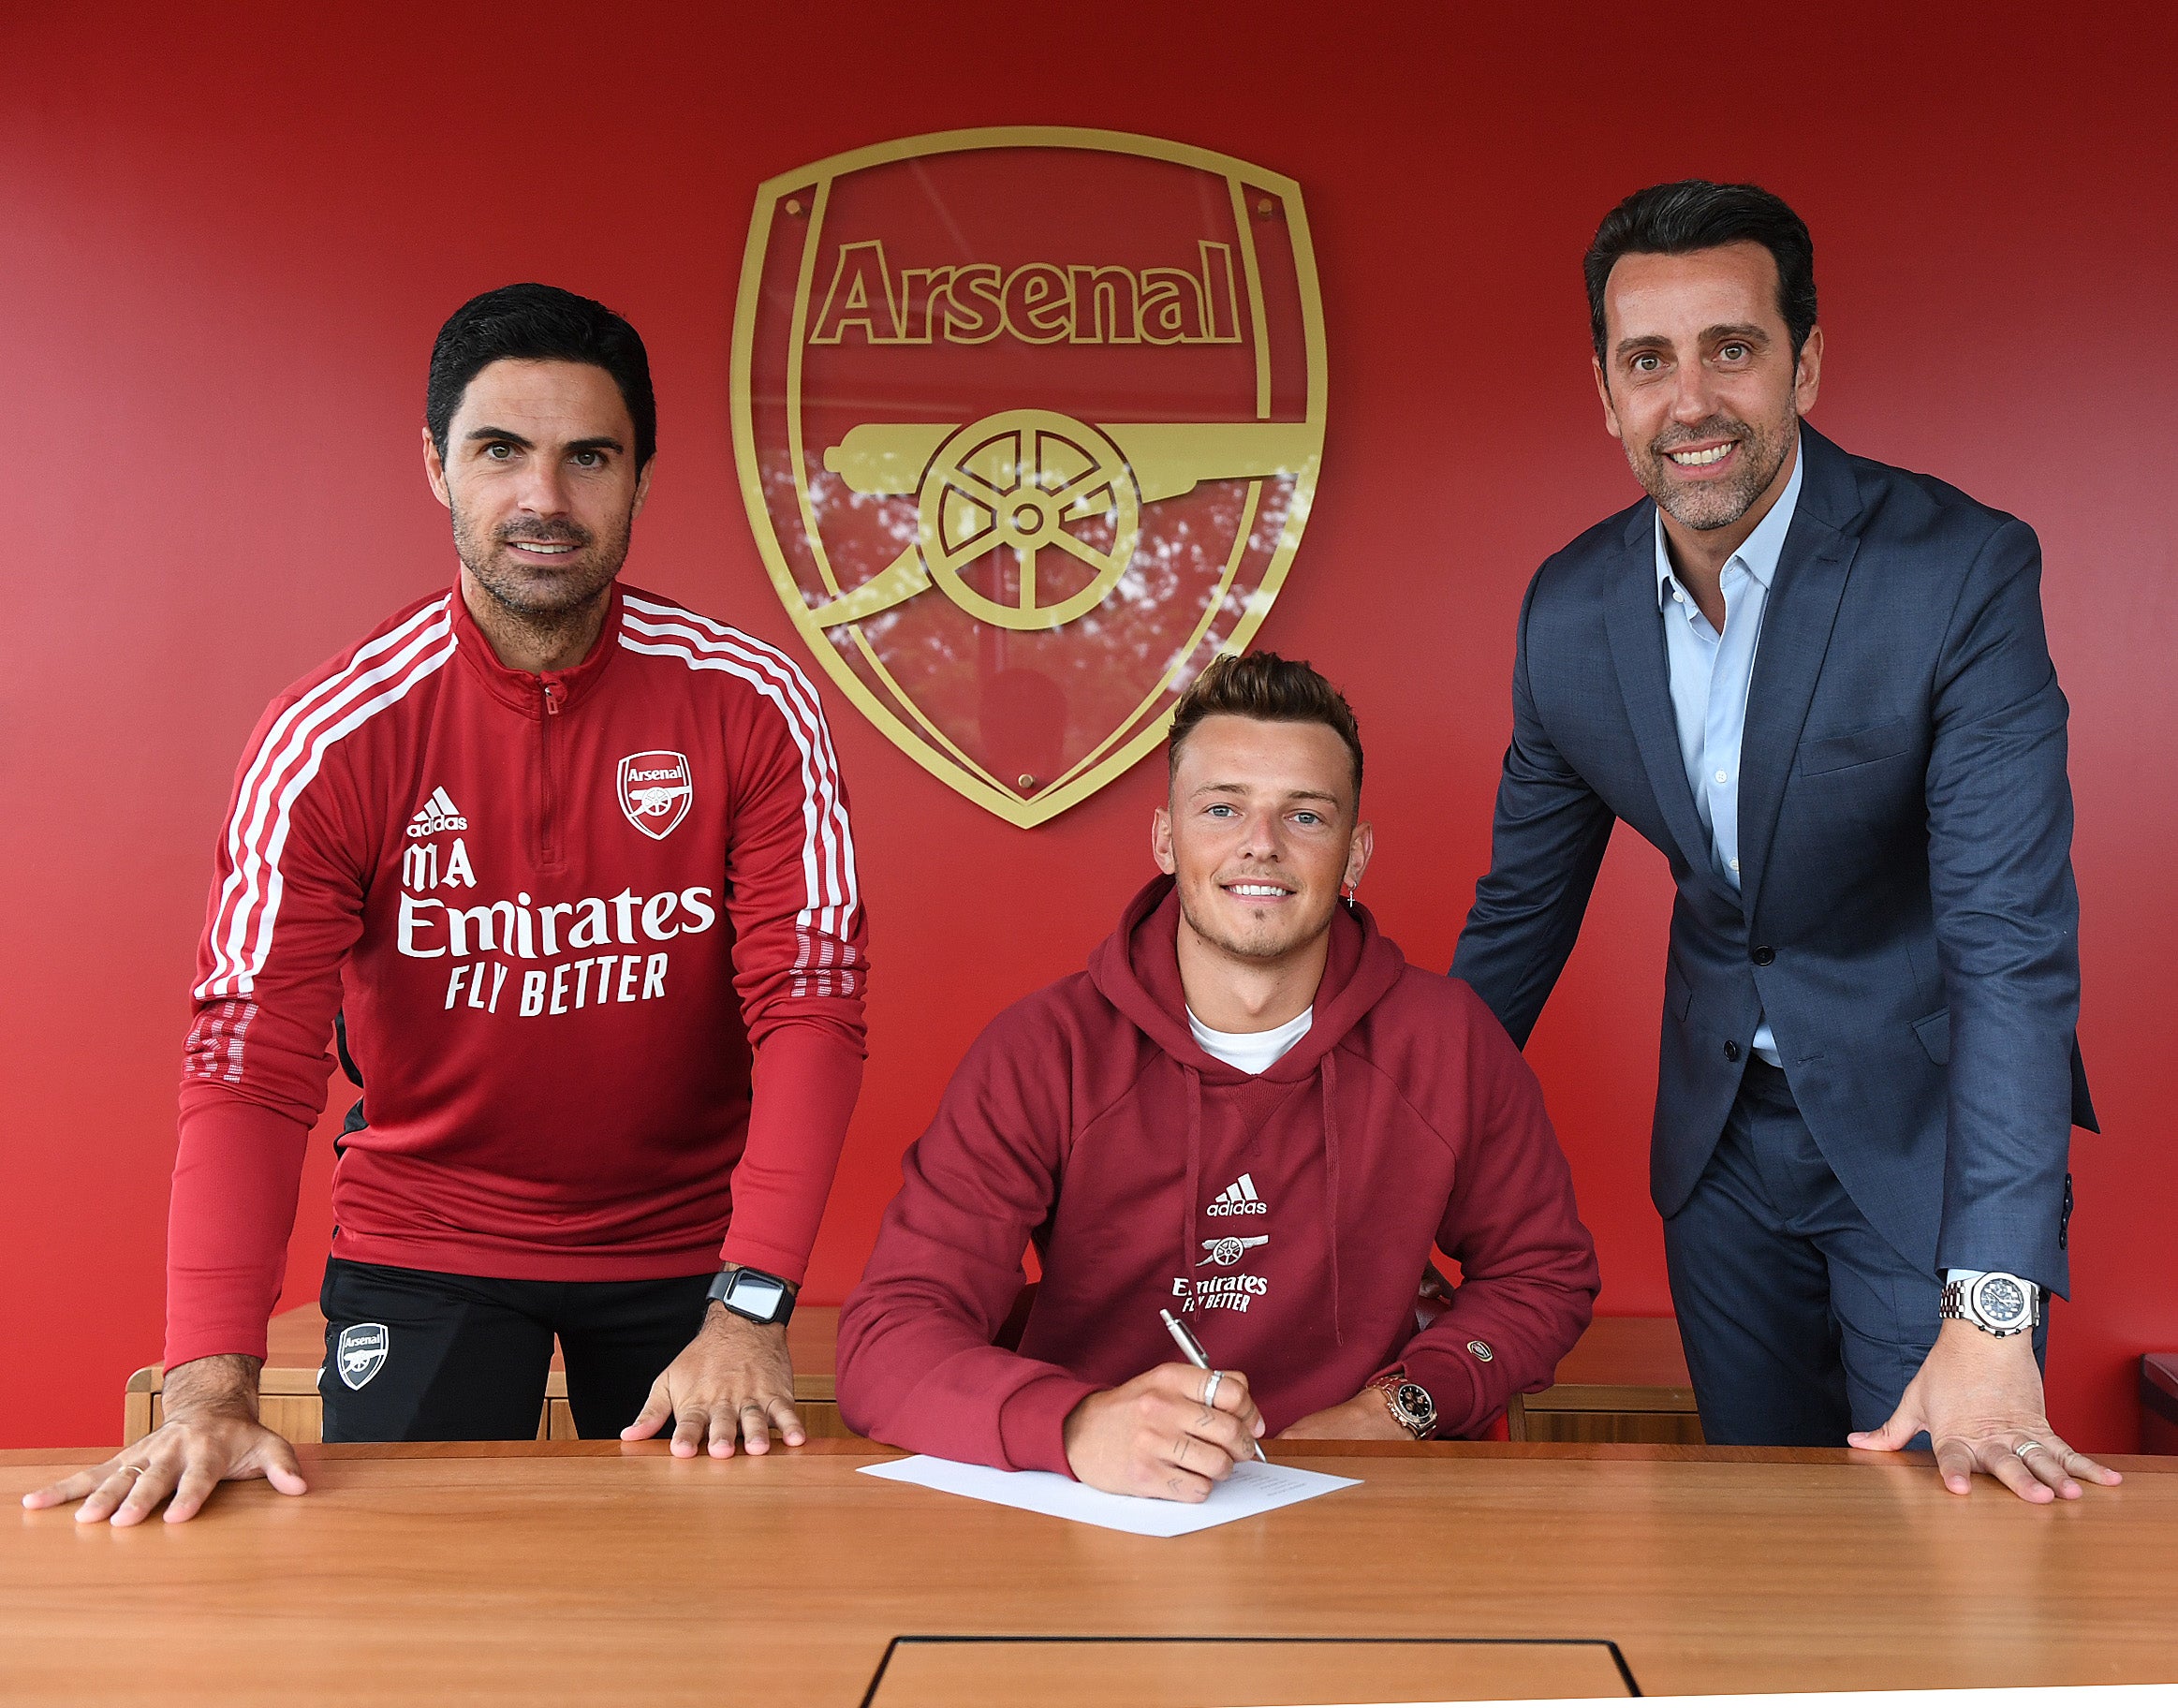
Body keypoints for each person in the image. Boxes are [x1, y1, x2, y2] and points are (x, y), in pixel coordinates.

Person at [29, 284, 867, 1527]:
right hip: (426, 1251)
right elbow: (251, 1060)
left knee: (697, 1624)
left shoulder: (751, 704)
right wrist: (210, 1381)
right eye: (499, 452)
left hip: (686, 1259)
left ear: (640, 475)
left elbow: (810, 1010)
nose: (544, 498)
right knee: (410, 1613)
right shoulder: (333, 734)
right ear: (436, 466)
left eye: (590, 456)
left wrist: (749, 1308)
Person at [1450, 181, 2118, 1502]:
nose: (1687, 400)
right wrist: (1373, 1161)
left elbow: (2006, 945)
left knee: (1951, 1544)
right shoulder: (1570, 613)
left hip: (1924, 1144)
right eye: (1647, 361)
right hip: (1717, 1160)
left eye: (1730, 350)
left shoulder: (1956, 572)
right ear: (1604, 391)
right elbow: (1515, 928)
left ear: (1803, 362)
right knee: (1757, 1539)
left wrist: (1990, 1304)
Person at [837, 653, 1597, 1499]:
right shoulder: (1045, 1050)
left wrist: (1400, 1410)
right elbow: (886, 1341)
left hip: (1357, 1494)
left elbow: (1543, 1276)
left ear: (1355, 853)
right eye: (1223, 808)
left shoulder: (1447, 1040)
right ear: (1167, 839)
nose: (1260, 845)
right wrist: (1078, 1425)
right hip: (1104, 1502)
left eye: (1305, 816)